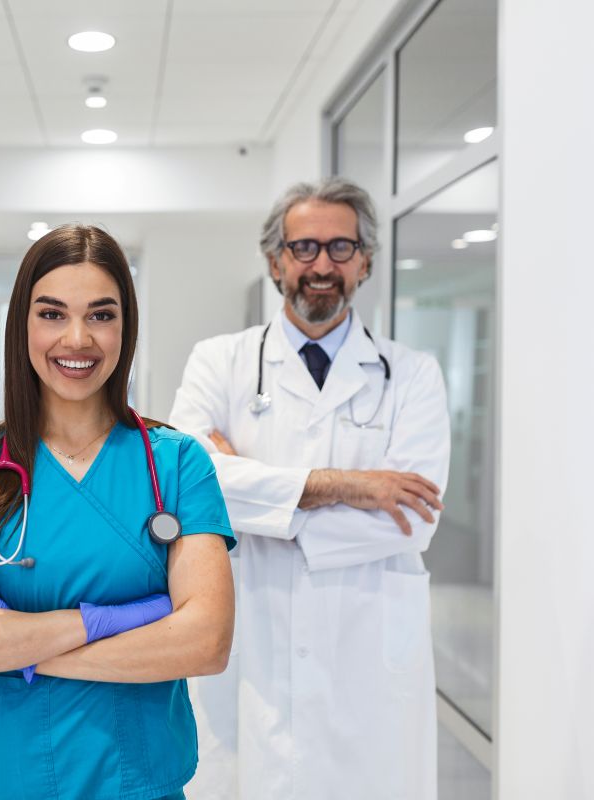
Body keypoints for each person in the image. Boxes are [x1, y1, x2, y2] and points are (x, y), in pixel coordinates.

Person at [0, 224, 236, 800]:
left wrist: (20, 651)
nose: (78, 338)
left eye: (102, 315)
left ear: (126, 328)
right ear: (23, 326)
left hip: (138, 781)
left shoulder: (180, 465)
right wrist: (108, 622)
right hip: (4, 778)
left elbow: (206, 642)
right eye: (53, 314)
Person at [169, 178, 451, 800]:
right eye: (303, 248)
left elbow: (414, 517)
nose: (322, 264)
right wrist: (343, 485)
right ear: (275, 261)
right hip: (252, 635)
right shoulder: (219, 361)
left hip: (366, 646)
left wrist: (258, 500)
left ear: (367, 260)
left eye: (341, 247)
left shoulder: (412, 375)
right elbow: (190, 482)